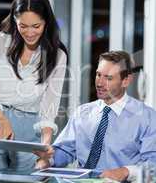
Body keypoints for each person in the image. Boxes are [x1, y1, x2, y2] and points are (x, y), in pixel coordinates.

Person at [35, 51, 156, 181]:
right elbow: (65, 150)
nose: (99, 83)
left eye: (108, 78)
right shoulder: (82, 113)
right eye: (98, 75)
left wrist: (125, 171)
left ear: (126, 81)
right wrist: (48, 161)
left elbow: (152, 163)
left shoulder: (147, 117)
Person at [0, 0, 67, 171]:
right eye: (23, 26)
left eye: (36, 26)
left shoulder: (57, 55)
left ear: (46, 23)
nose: (29, 32)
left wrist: (44, 146)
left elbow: (49, 106)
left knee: (26, 178)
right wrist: (2, 120)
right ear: (14, 20)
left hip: (30, 129)